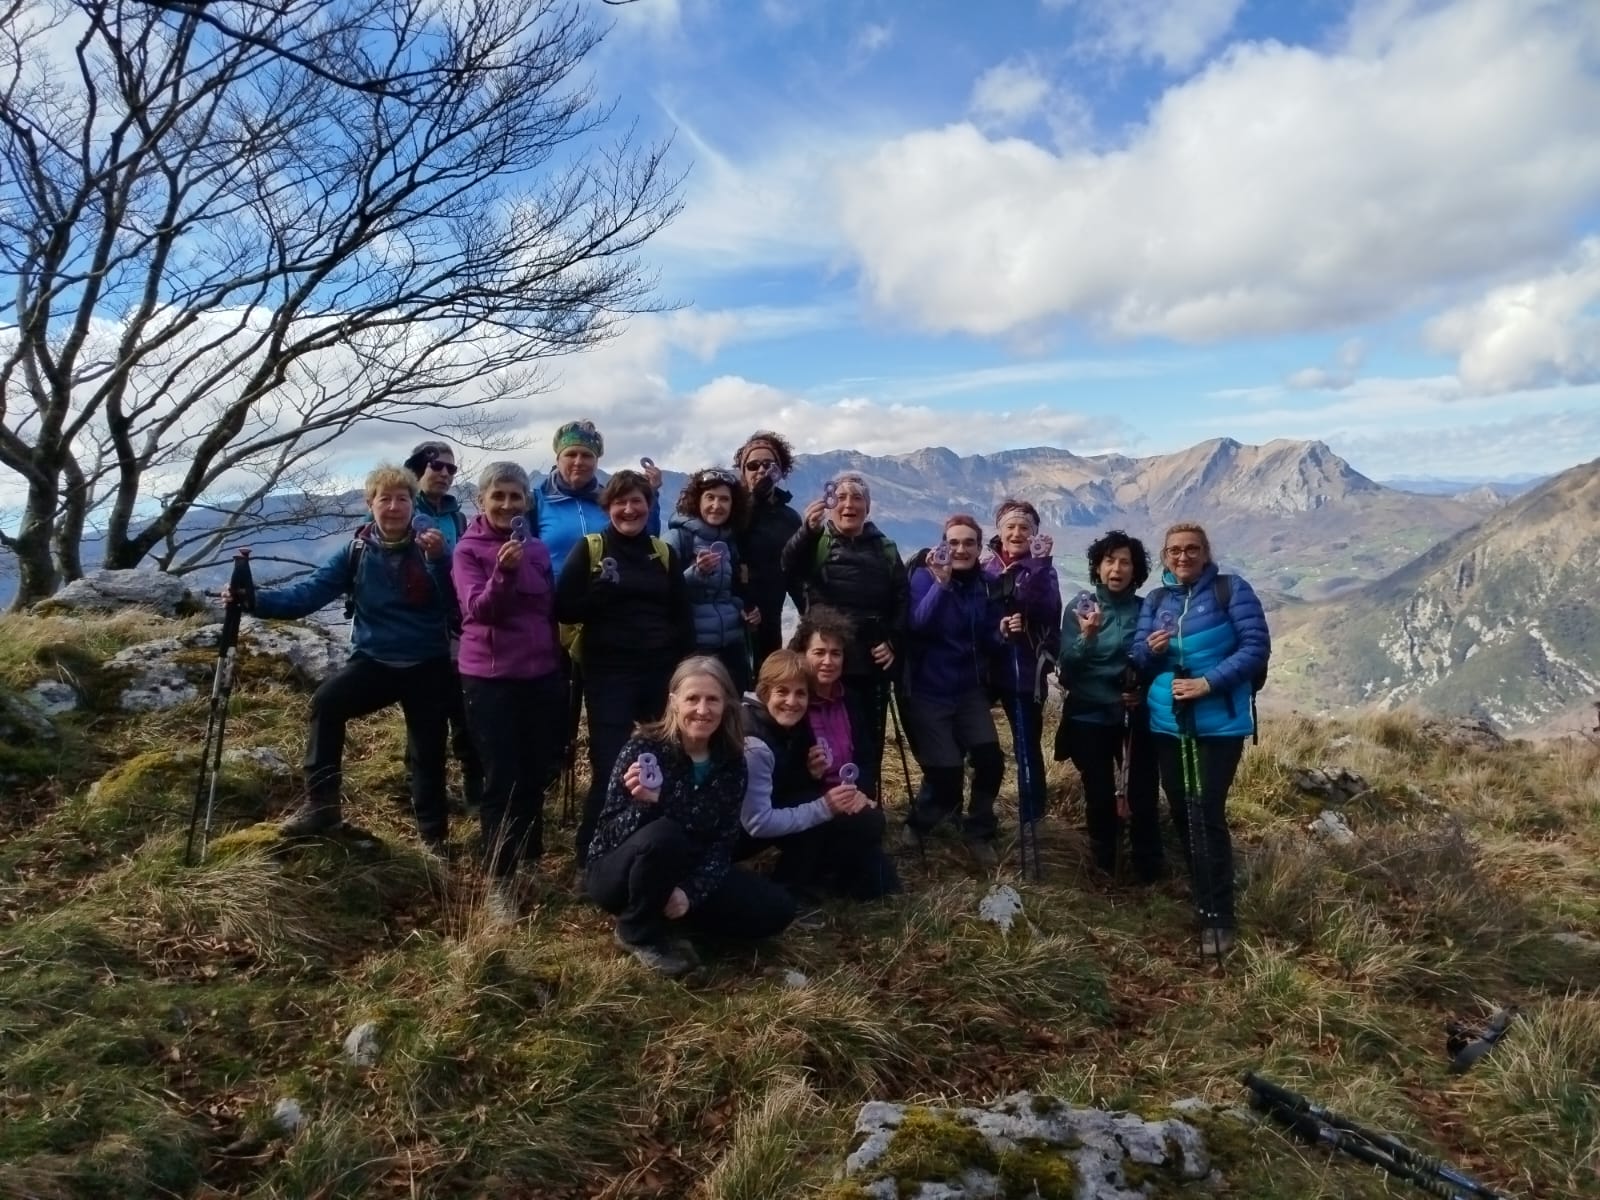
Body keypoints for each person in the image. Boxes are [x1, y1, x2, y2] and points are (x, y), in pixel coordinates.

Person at [230, 465, 454, 850]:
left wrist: (439, 559)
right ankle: (322, 805)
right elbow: (309, 594)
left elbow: (453, 601)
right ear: (370, 505)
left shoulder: (433, 547)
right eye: (385, 499)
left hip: (428, 662)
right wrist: (254, 601)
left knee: (427, 752)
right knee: (327, 704)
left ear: (413, 504)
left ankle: (433, 839)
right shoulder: (356, 552)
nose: (395, 506)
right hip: (375, 661)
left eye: (403, 498)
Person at [585, 657, 797, 976]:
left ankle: (675, 916)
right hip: (620, 873)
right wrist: (645, 804)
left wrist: (691, 892)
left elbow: (723, 844)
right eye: (692, 699)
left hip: (688, 870)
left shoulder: (732, 761)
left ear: (727, 705)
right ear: (674, 703)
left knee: (777, 908)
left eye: (712, 699)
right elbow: (608, 834)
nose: (702, 709)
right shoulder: (644, 748)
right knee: (665, 836)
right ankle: (636, 931)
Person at [1132, 521, 1270, 958]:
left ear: (1205, 552)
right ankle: (1202, 889)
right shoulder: (1155, 600)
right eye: (1174, 550)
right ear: (1165, 556)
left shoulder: (1232, 589)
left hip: (1218, 722)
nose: (1182, 557)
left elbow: (1255, 647)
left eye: (1192, 549)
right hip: (1168, 723)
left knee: (1206, 810)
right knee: (1180, 808)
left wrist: (1208, 683)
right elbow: (1139, 659)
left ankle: (1219, 913)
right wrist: (1150, 652)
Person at [556, 469, 690, 864]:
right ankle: (591, 854)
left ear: (649, 508)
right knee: (612, 761)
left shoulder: (663, 553)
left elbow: (681, 617)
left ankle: (649, 842)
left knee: (660, 759)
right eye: (621, 502)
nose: (629, 509)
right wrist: (596, 597)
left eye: (637, 502)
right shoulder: (591, 549)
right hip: (608, 673)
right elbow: (562, 608)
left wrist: (685, 672)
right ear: (608, 507)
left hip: (658, 672)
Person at [451, 463, 564, 925]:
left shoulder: (536, 548)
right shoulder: (468, 550)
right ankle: (499, 877)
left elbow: (547, 607)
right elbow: (479, 612)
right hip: (491, 678)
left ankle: (530, 860)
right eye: (497, 496)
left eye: (515, 496)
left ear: (527, 502)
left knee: (537, 770)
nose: (506, 504)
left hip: (541, 673)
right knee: (502, 776)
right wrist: (502, 574)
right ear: (481, 501)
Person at [780, 471, 909, 799]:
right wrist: (806, 533)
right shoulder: (817, 542)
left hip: (869, 662)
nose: (849, 504)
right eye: (841, 497)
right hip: (822, 660)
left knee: (866, 737)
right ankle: (813, 801)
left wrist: (893, 642)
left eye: (857, 498)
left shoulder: (886, 550)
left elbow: (903, 601)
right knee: (816, 732)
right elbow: (788, 567)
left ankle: (865, 799)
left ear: (868, 508)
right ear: (829, 504)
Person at [740, 647, 899, 901]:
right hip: (736, 836)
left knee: (878, 866)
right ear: (764, 691)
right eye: (782, 691)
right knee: (843, 821)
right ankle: (788, 887)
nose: (792, 701)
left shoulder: (781, 724)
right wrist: (825, 806)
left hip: (770, 816)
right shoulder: (755, 743)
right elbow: (758, 821)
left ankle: (819, 875)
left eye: (800, 693)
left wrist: (811, 775)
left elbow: (783, 784)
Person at [1055, 529, 1164, 883]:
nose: (1116, 569)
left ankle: (1148, 866)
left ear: (1136, 571)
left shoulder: (1146, 609)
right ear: (1097, 567)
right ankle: (1103, 863)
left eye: (1125, 562)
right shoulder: (1080, 607)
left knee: (1143, 792)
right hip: (1089, 713)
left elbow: (1155, 660)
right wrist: (1087, 637)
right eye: (1109, 561)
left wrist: (1142, 689)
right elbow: (1067, 668)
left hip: (1134, 714)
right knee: (1100, 792)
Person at [901, 514, 1007, 869]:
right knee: (946, 774)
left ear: (979, 548)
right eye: (954, 542)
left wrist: (1002, 634)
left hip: (968, 691)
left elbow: (987, 639)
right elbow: (917, 624)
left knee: (991, 761)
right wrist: (942, 585)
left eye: (969, 543)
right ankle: (920, 822)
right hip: (929, 690)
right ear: (943, 544)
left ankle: (978, 829)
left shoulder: (986, 585)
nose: (961, 549)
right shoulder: (923, 577)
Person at [401, 440, 482, 814]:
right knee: (424, 716)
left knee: (462, 709)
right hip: (415, 627)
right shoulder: (399, 510)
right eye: (438, 466)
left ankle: (473, 791)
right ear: (418, 468)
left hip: (453, 626)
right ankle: (415, 790)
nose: (446, 474)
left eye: (452, 469)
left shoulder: (457, 517)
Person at [983, 499, 1062, 833]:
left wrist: (1039, 567)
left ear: (1035, 533)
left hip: (1025, 673)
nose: (1017, 533)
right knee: (977, 745)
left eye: (1024, 528)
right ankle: (976, 812)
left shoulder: (1043, 569)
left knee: (1027, 747)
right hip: (986, 668)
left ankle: (1032, 820)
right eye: (1010, 527)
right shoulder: (984, 567)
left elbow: (1046, 610)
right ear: (999, 531)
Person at [669, 468, 759, 694]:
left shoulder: (731, 540)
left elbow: (732, 592)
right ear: (696, 500)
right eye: (710, 497)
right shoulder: (679, 537)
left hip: (732, 644)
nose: (717, 506)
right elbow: (663, 587)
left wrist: (746, 612)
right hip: (694, 646)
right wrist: (696, 573)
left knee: (733, 710)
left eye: (724, 499)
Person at [529, 420, 664, 570]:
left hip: (607, 590)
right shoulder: (536, 502)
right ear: (558, 459)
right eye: (571, 454)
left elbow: (646, 541)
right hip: (552, 592)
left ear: (596, 461)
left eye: (587, 455)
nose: (578, 462)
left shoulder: (610, 502)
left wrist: (650, 493)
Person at [733, 431, 803, 672]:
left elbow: (796, 570)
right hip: (737, 617)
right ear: (743, 472)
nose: (761, 470)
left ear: (780, 471)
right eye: (753, 465)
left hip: (772, 615)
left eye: (769, 465)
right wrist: (755, 498)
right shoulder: (732, 509)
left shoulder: (789, 518)